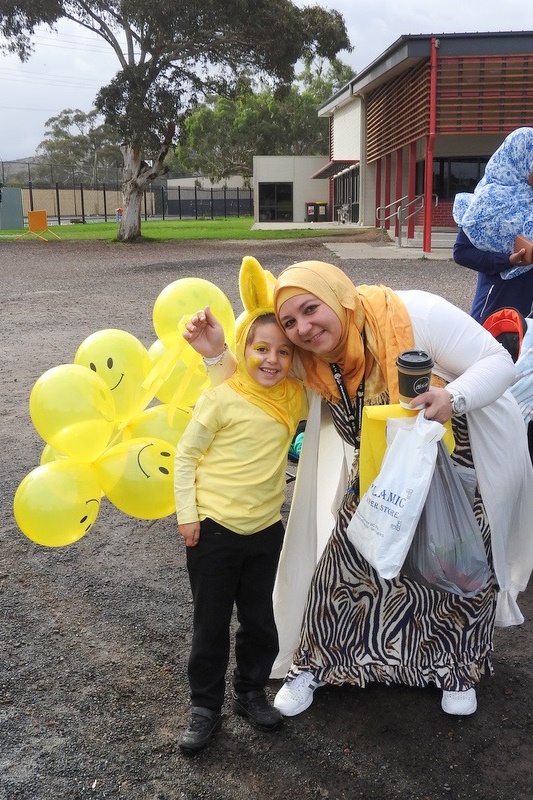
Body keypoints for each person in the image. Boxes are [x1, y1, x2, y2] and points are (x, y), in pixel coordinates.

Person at [188, 259, 533, 721]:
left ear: (340, 296)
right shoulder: (311, 358)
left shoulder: (414, 314)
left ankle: (455, 668)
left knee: (454, 572)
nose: (303, 328)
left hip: (448, 468)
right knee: (343, 574)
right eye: (290, 321)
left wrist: (453, 398)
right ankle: (316, 665)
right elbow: (253, 389)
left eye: (311, 309)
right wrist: (215, 353)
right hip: (375, 473)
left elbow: (497, 362)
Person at [174, 259, 307, 754]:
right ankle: (204, 706)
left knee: (259, 620)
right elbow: (186, 455)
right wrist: (188, 514)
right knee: (210, 623)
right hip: (214, 532)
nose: (271, 360)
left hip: (265, 530)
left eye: (283, 352)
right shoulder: (222, 397)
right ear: (243, 347)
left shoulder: (292, 397)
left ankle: (250, 691)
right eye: (260, 348)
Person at [453, 126, 533, 321]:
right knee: (490, 350)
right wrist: (508, 261)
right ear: (521, 158)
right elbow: (461, 252)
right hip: (497, 305)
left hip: (528, 313)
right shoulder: (489, 201)